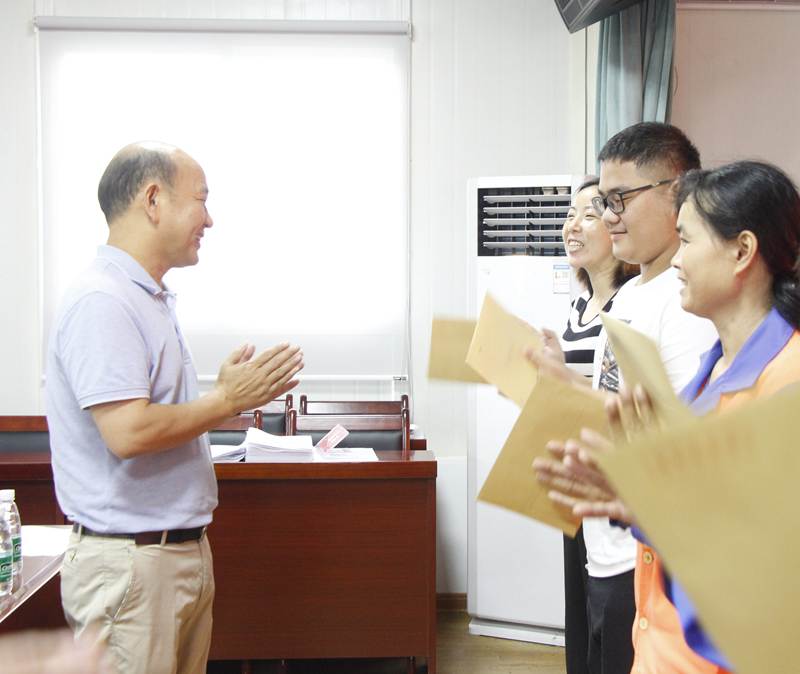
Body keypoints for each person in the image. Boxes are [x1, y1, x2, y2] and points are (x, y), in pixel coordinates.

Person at [45, 142, 304, 674]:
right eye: (201, 200)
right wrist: (227, 400)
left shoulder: (147, 297)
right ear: (153, 200)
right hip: (132, 567)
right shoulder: (103, 300)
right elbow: (129, 432)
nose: (209, 219)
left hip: (169, 558)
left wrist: (223, 396)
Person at [536, 160, 800, 673]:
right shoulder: (710, 372)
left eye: (689, 241)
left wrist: (653, 506)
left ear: (742, 251)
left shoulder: (786, 382)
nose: (677, 260)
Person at [531, 122, 717, 674]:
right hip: (606, 550)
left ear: (676, 191)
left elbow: (685, 445)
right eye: (603, 202)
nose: (609, 215)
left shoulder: (686, 305)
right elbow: (618, 403)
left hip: (646, 557)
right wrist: (564, 386)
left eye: (619, 199)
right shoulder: (633, 292)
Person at [546, 176, 635, 674]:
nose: (572, 226)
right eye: (569, 215)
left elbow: (616, 399)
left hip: (611, 480)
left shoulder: (632, 304)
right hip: (575, 471)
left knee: (607, 612)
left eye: (588, 214)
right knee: (579, 609)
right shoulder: (580, 304)